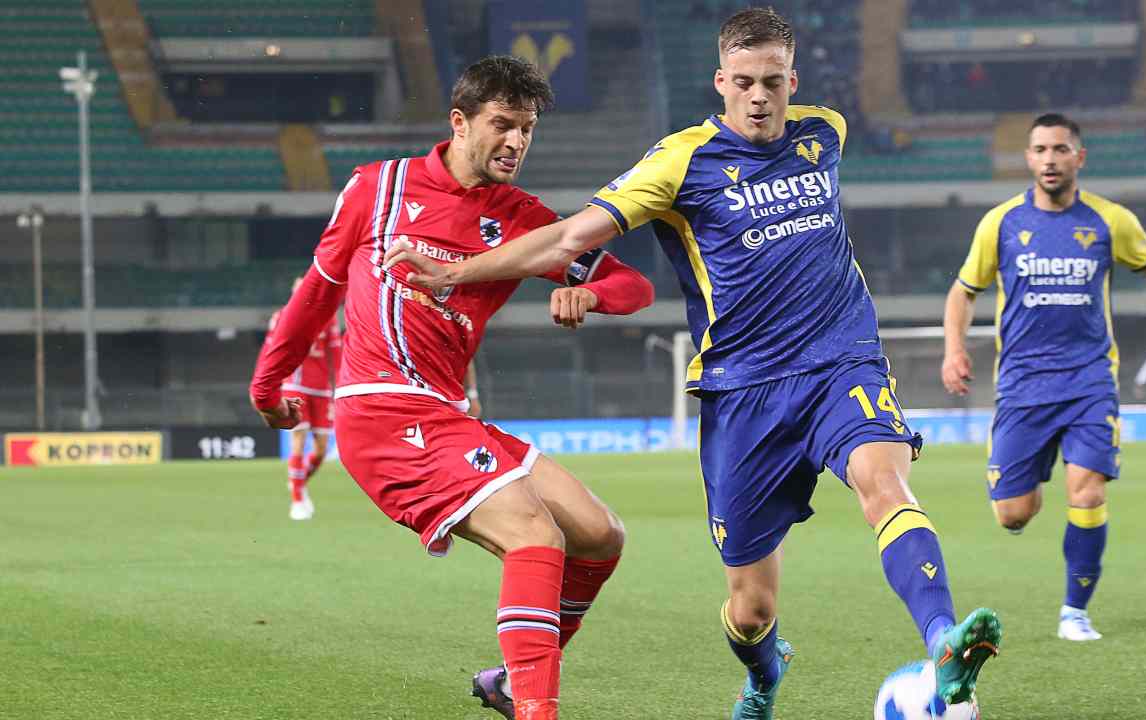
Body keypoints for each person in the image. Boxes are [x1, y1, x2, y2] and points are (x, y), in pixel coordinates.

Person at [383, 9, 1001, 717]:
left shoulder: (824, 131)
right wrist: (454, 273)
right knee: (749, 607)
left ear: (793, 81)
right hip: (743, 394)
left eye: (773, 81)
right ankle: (765, 674)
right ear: (720, 82)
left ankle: (943, 645)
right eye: (744, 82)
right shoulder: (680, 160)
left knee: (884, 484)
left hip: (841, 361)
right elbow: (567, 240)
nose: (760, 96)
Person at [250, 56, 655, 720]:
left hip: (446, 413)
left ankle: (508, 679)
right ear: (459, 122)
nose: (516, 143)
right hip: (379, 411)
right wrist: (268, 388)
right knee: (534, 534)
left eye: (527, 129)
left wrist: (588, 293)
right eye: (503, 124)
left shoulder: (524, 219)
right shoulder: (378, 189)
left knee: (599, 534)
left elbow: (633, 285)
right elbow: (314, 297)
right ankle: (536, 709)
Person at [941, 113, 1146, 643]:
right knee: (1013, 514)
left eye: (1061, 149)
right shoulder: (1001, 223)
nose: (1050, 159)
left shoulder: (1109, 221)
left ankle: (1074, 612)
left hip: (1089, 382)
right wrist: (953, 349)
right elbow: (964, 290)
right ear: (1028, 159)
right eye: (1040, 150)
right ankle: (1027, 497)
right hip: (1023, 385)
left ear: (1079, 157)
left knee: (1087, 493)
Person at [260, 277, 342, 520]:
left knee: (320, 450)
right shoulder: (281, 317)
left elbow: (335, 356)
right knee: (298, 438)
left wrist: (339, 387)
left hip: (322, 390)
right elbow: (270, 352)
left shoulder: (327, 318)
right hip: (294, 385)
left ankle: (299, 482)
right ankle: (296, 501)